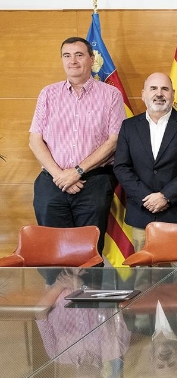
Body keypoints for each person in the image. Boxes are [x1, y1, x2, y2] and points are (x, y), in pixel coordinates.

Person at [29, 36, 127, 257]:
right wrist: (61, 176)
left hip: (93, 182)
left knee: (88, 252)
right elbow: (35, 140)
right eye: (67, 55)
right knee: (52, 250)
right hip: (52, 183)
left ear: (92, 60)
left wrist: (77, 172)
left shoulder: (110, 95)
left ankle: (87, 292)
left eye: (79, 55)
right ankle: (57, 292)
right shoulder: (48, 94)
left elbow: (114, 140)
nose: (73, 60)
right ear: (62, 60)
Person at [113, 72, 177, 260]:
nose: (159, 93)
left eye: (165, 89)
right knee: (143, 277)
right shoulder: (129, 126)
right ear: (143, 94)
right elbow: (121, 167)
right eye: (153, 88)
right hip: (142, 212)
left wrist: (166, 196)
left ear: (173, 93)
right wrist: (147, 197)